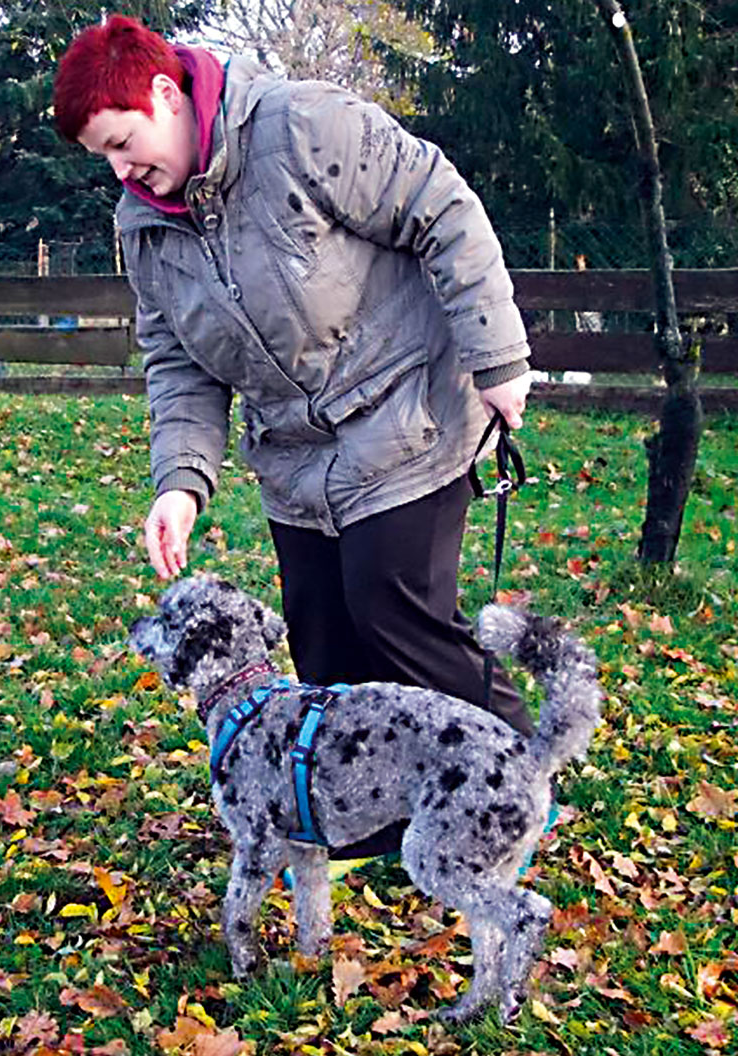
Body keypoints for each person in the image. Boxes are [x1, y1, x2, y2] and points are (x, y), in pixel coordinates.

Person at [54, 17, 535, 803]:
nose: (119, 171)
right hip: (296, 460)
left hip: (406, 415)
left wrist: (498, 355)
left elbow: (442, 208)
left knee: (393, 616)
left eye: (120, 141)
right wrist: (180, 480)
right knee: (322, 645)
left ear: (165, 94)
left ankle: (516, 785)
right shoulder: (142, 224)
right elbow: (177, 360)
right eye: (102, 155)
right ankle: (366, 816)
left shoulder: (302, 126)